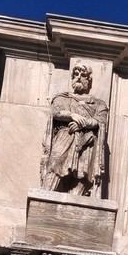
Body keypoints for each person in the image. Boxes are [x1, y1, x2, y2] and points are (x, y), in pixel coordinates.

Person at [41, 62, 109, 196]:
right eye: (76, 74)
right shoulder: (62, 98)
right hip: (65, 136)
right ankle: (46, 195)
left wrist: (82, 124)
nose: (78, 77)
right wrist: (72, 115)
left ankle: (75, 201)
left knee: (83, 174)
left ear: (88, 80)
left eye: (83, 75)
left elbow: (101, 120)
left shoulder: (98, 104)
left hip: (87, 141)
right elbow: (56, 112)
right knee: (54, 164)